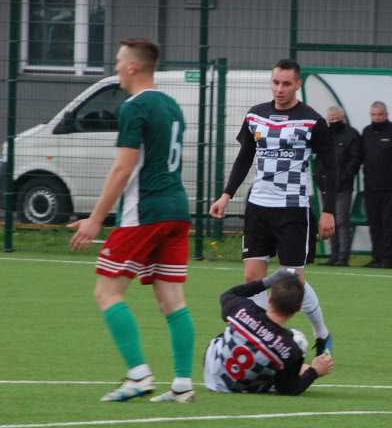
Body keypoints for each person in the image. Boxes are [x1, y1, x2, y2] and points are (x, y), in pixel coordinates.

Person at [69, 38, 196, 403]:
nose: (115, 68)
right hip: (176, 210)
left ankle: (139, 376)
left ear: (133, 67)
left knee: (107, 292)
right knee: (172, 301)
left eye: (118, 61)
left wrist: (94, 219)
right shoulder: (172, 106)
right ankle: (183, 385)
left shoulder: (134, 107)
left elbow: (123, 169)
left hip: (145, 213)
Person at [209, 59, 337, 357]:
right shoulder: (256, 115)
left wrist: (328, 210)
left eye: (286, 84)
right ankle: (259, 337)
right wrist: (226, 195)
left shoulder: (312, 121)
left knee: (293, 283)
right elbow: (244, 158)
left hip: (293, 209)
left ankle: (322, 333)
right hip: (258, 207)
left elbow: (330, 168)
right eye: (276, 83)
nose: (279, 89)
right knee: (253, 280)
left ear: (298, 85)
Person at [203, 268, 335, 394]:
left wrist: (267, 282)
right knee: (298, 345)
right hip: (235, 387)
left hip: (210, 371)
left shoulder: (243, 308)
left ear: (270, 298)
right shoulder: (290, 347)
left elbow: (227, 294)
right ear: (299, 308)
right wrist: (315, 371)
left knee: (230, 334)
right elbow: (289, 389)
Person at [360, 101, 392, 269]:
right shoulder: (367, 132)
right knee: (374, 224)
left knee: (388, 223)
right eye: (373, 115)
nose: (377, 118)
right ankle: (376, 257)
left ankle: (388, 259)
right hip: (370, 187)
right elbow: (361, 156)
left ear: (386, 115)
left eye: (380, 114)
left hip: (390, 187)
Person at [315, 106, 361, 267]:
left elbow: (354, 160)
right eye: (330, 119)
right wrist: (318, 177)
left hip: (342, 186)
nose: (333, 121)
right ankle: (333, 255)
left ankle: (343, 256)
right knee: (329, 221)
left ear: (343, 118)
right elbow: (319, 159)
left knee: (341, 220)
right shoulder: (324, 134)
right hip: (326, 186)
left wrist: (342, 178)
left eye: (336, 118)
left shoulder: (351, 135)